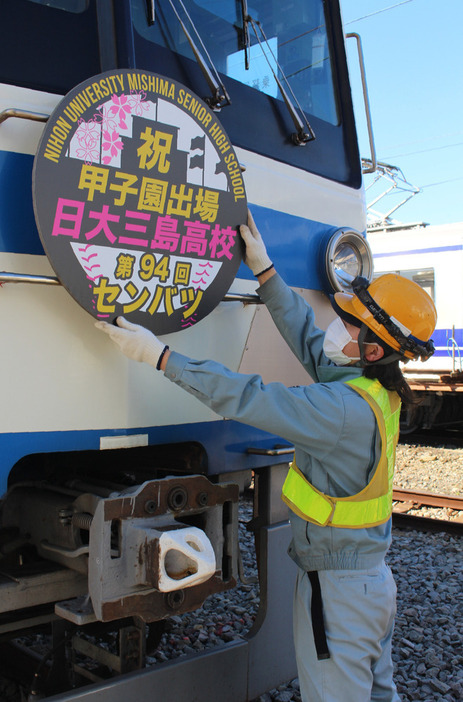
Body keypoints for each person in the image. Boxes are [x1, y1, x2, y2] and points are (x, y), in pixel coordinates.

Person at [95, 211, 437, 702]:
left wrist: (161, 357)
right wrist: (267, 273)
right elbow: (310, 341)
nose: (335, 327)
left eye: (349, 323)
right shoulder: (374, 391)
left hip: (338, 593)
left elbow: (250, 397)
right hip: (368, 584)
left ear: (373, 349)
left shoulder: (340, 409)